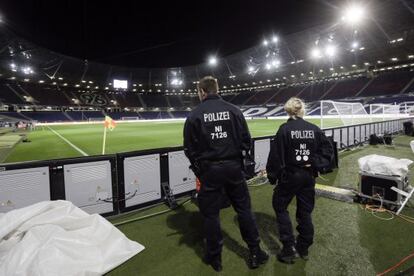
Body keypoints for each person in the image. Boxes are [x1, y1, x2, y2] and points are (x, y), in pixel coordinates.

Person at [183, 76, 268, 272]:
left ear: (202, 91)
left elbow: (189, 148)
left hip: (210, 170)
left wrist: (201, 172)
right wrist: (239, 162)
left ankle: (215, 258)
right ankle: (255, 251)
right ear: (217, 88)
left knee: (211, 215)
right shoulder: (234, 110)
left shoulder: (195, 115)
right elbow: (246, 140)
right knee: (244, 210)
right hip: (233, 167)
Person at [266, 97, 333, 264]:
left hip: (290, 175)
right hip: (308, 176)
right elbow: (328, 150)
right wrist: (316, 163)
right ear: (302, 110)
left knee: (280, 207)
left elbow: (275, 157)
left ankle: (288, 248)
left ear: (288, 110)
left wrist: (272, 176)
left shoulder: (284, 129)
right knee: (305, 212)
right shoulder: (314, 129)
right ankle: (303, 247)